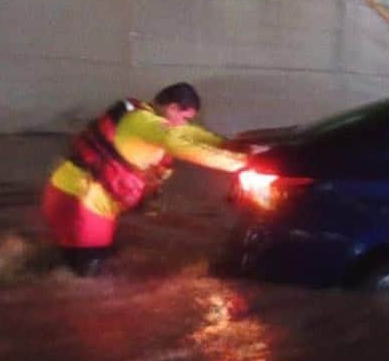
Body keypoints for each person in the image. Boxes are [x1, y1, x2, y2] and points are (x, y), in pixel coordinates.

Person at [41, 83, 247, 276]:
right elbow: (180, 145)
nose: (186, 124)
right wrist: (239, 163)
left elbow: (191, 133)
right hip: (81, 200)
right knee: (85, 278)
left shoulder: (142, 118)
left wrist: (233, 146)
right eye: (185, 117)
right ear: (173, 108)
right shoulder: (145, 123)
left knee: (86, 262)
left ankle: (31, 266)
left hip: (73, 193)